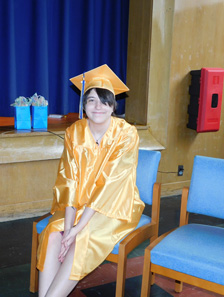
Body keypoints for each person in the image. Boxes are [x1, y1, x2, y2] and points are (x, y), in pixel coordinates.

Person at [36, 64, 144, 297]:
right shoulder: (74, 132)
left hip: (115, 205)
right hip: (80, 204)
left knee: (82, 237)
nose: (98, 107)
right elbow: (69, 180)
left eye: (105, 101)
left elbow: (109, 185)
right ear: (83, 105)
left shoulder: (126, 134)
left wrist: (76, 229)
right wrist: (67, 229)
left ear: (114, 106)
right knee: (54, 234)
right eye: (92, 100)